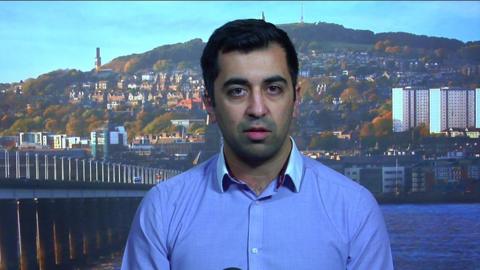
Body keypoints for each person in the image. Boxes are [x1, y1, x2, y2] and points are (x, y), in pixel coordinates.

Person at [121, 19, 393, 270]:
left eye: (273, 89)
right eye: (237, 91)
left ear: (296, 99)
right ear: (209, 105)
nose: (257, 108)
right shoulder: (163, 208)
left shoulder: (354, 209)